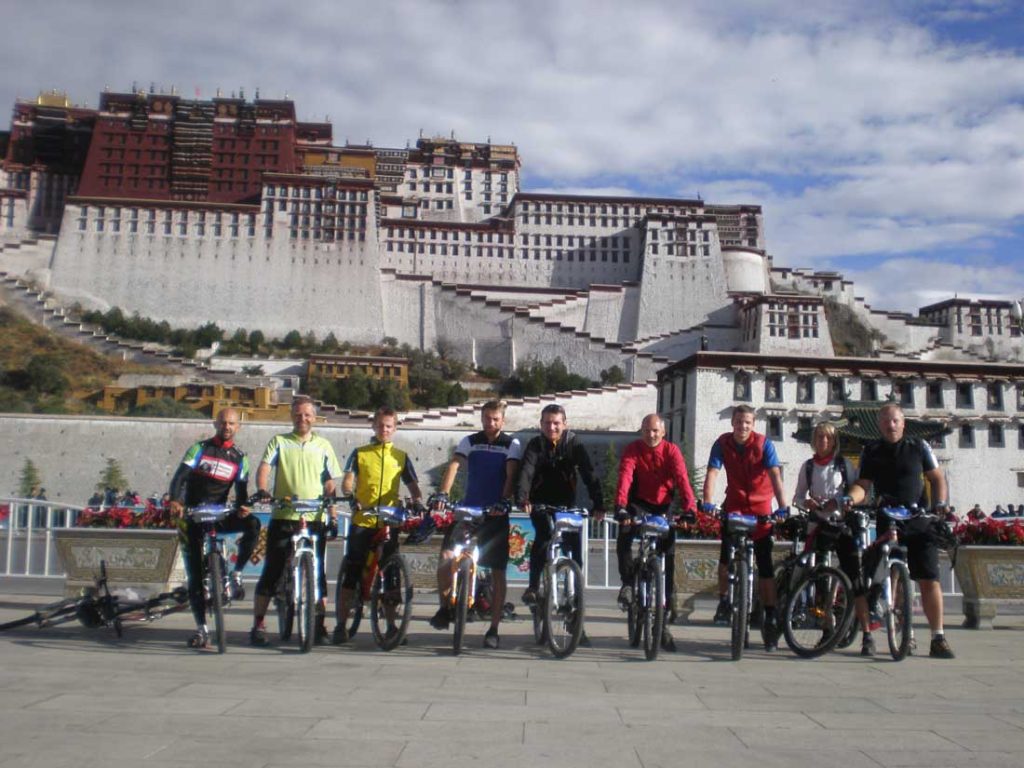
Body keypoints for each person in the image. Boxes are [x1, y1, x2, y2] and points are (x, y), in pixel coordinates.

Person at [846, 403, 954, 659]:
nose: (890, 425)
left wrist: (939, 505)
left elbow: (936, 478)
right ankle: (901, 629)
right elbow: (863, 485)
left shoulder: (918, 447)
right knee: (890, 575)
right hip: (888, 518)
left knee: (929, 578)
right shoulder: (871, 451)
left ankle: (938, 636)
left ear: (903, 423)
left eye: (895, 420)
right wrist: (850, 498)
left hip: (919, 519)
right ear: (879, 425)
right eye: (885, 421)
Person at [428, 400, 521, 648]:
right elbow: (455, 466)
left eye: (495, 419)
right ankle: (446, 607)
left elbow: (511, 474)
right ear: (481, 419)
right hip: (469, 510)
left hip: (495, 514)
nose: (490, 423)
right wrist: (443, 494)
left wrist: (504, 500)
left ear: (503, 420)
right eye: (487, 418)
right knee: (446, 557)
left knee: (498, 571)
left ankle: (493, 628)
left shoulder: (512, 444)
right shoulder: (469, 441)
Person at [250, 397, 340, 647]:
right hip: (284, 515)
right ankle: (258, 623)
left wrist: (332, 513)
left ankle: (319, 624)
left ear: (314, 418)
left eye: (308, 415)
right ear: (292, 416)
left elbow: (330, 483)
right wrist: (262, 489)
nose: (303, 419)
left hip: (314, 517)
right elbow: (265, 468)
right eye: (298, 415)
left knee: (318, 573)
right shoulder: (279, 441)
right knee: (272, 570)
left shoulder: (323, 445)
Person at [168, 407, 260, 650]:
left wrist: (243, 508)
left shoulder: (241, 457)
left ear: (237, 427)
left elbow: (241, 493)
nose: (226, 427)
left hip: (219, 514)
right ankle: (202, 628)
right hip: (193, 514)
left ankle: (237, 573)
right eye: (222, 423)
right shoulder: (199, 448)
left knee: (253, 524)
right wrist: (176, 501)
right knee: (195, 574)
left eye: (231, 423)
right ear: (215, 424)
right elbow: (179, 478)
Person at [702, 404, 789, 651]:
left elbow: (775, 476)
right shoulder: (722, 443)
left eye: (748, 422)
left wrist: (782, 507)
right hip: (735, 506)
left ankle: (770, 615)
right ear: (733, 423)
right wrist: (708, 502)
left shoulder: (764, 445)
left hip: (761, 508)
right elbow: (712, 472)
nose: (743, 426)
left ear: (753, 424)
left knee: (765, 566)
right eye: (739, 422)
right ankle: (724, 601)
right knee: (725, 557)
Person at [516, 403, 604, 646]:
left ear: (565, 424)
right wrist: (523, 498)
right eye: (547, 423)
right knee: (543, 538)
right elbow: (526, 471)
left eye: (556, 423)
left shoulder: (574, 444)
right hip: (541, 503)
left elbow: (589, 473)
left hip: (566, 506)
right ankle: (534, 587)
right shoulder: (536, 445)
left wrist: (598, 502)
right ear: (541, 425)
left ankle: (576, 619)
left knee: (576, 556)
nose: (551, 427)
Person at [334, 407, 423, 645]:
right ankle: (341, 625)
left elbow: (413, 486)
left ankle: (393, 626)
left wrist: (417, 502)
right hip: (363, 519)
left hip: (389, 520)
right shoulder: (360, 453)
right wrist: (350, 496)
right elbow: (348, 481)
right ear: (373, 426)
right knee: (352, 571)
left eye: (389, 426)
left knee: (392, 574)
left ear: (395, 429)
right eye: (380, 425)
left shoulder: (401, 457)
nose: (384, 430)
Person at [614, 414, 696, 652]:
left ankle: (663, 619)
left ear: (663, 433)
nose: (651, 435)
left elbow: (682, 479)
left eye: (655, 431)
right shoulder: (633, 449)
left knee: (668, 558)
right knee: (625, 536)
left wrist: (690, 508)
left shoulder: (672, 452)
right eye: (647, 430)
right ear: (641, 431)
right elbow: (625, 476)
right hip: (636, 502)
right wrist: (620, 506)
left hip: (663, 505)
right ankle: (628, 583)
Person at [791, 422, 872, 654]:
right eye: (819, 438)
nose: (823, 442)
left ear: (834, 442)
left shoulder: (844, 466)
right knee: (818, 577)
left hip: (842, 526)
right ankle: (825, 625)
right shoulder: (808, 467)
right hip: (818, 526)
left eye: (827, 438)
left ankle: (867, 634)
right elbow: (797, 495)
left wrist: (842, 501)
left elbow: (860, 493)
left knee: (855, 579)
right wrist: (805, 502)